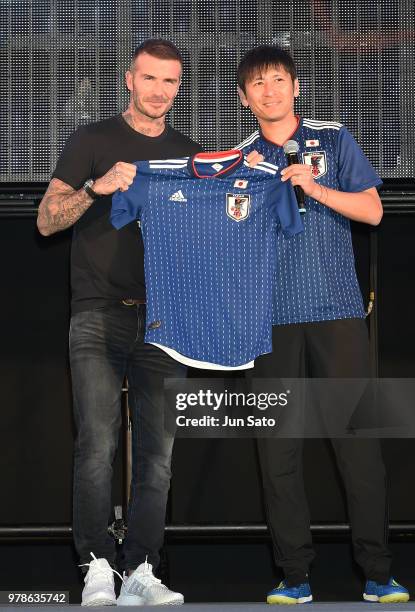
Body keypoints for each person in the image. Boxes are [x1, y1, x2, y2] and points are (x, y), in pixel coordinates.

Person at [236, 45, 410, 605]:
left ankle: (378, 573)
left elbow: (375, 211)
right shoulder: (237, 160)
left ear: (295, 87)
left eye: (279, 80)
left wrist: (315, 188)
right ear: (244, 98)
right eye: (259, 84)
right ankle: (293, 575)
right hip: (269, 324)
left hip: (338, 315)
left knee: (361, 448)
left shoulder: (334, 139)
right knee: (277, 453)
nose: (270, 91)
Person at [37, 39, 202, 607]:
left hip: (164, 321)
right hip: (98, 315)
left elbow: (208, 240)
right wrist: (95, 186)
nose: (159, 91)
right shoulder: (93, 140)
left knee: (157, 456)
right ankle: (97, 567)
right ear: (128, 80)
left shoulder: (188, 152)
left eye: (171, 82)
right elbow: (46, 220)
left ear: (179, 88)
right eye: (150, 78)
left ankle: (143, 569)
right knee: (97, 447)